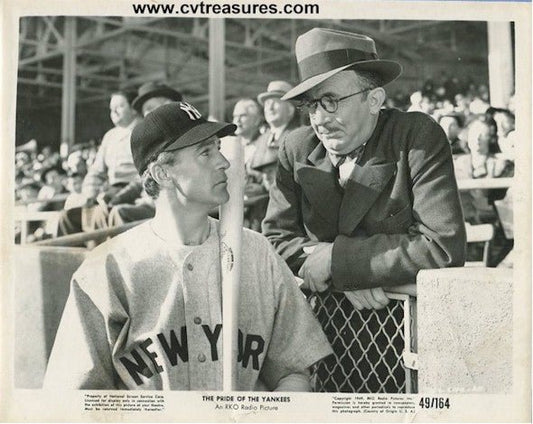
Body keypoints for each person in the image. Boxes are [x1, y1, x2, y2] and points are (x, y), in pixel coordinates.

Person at [44, 101, 332, 391]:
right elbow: (72, 399)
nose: (223, 162)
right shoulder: (108, 269)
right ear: (162, 174)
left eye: (218, 148)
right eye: (205, 152)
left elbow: (293, 373)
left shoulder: (257, 253)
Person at [262, 28, 466, 392]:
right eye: (310, 105)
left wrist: (337, 262)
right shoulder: (295, 148)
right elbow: (274, 240)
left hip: (403, 342)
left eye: (330, 100)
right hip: (318, 340)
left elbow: (442, 246)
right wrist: (344, 270)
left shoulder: (414, 137)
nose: (319, 119)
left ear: (374, 99)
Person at [57, 90, 142, 235]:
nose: (113, 111)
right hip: (109, 192)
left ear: (134, 109)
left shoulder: (144, 130)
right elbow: (96, 171)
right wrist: (90, 195)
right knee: (67, 218)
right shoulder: (110, 136)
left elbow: (144, 174)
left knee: (109, 215)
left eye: (120, 106)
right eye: (111, 108)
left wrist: (120, 196)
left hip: (136, 194)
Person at [106, 82, 184, 227]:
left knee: (120, 213)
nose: (147, 115)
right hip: (153, 200)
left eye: (151, 108)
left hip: (178, 204)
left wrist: (150, 199)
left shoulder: (183, 133)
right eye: (145, 111)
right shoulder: (154, 137)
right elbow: (144, 177)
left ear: (168, 105)